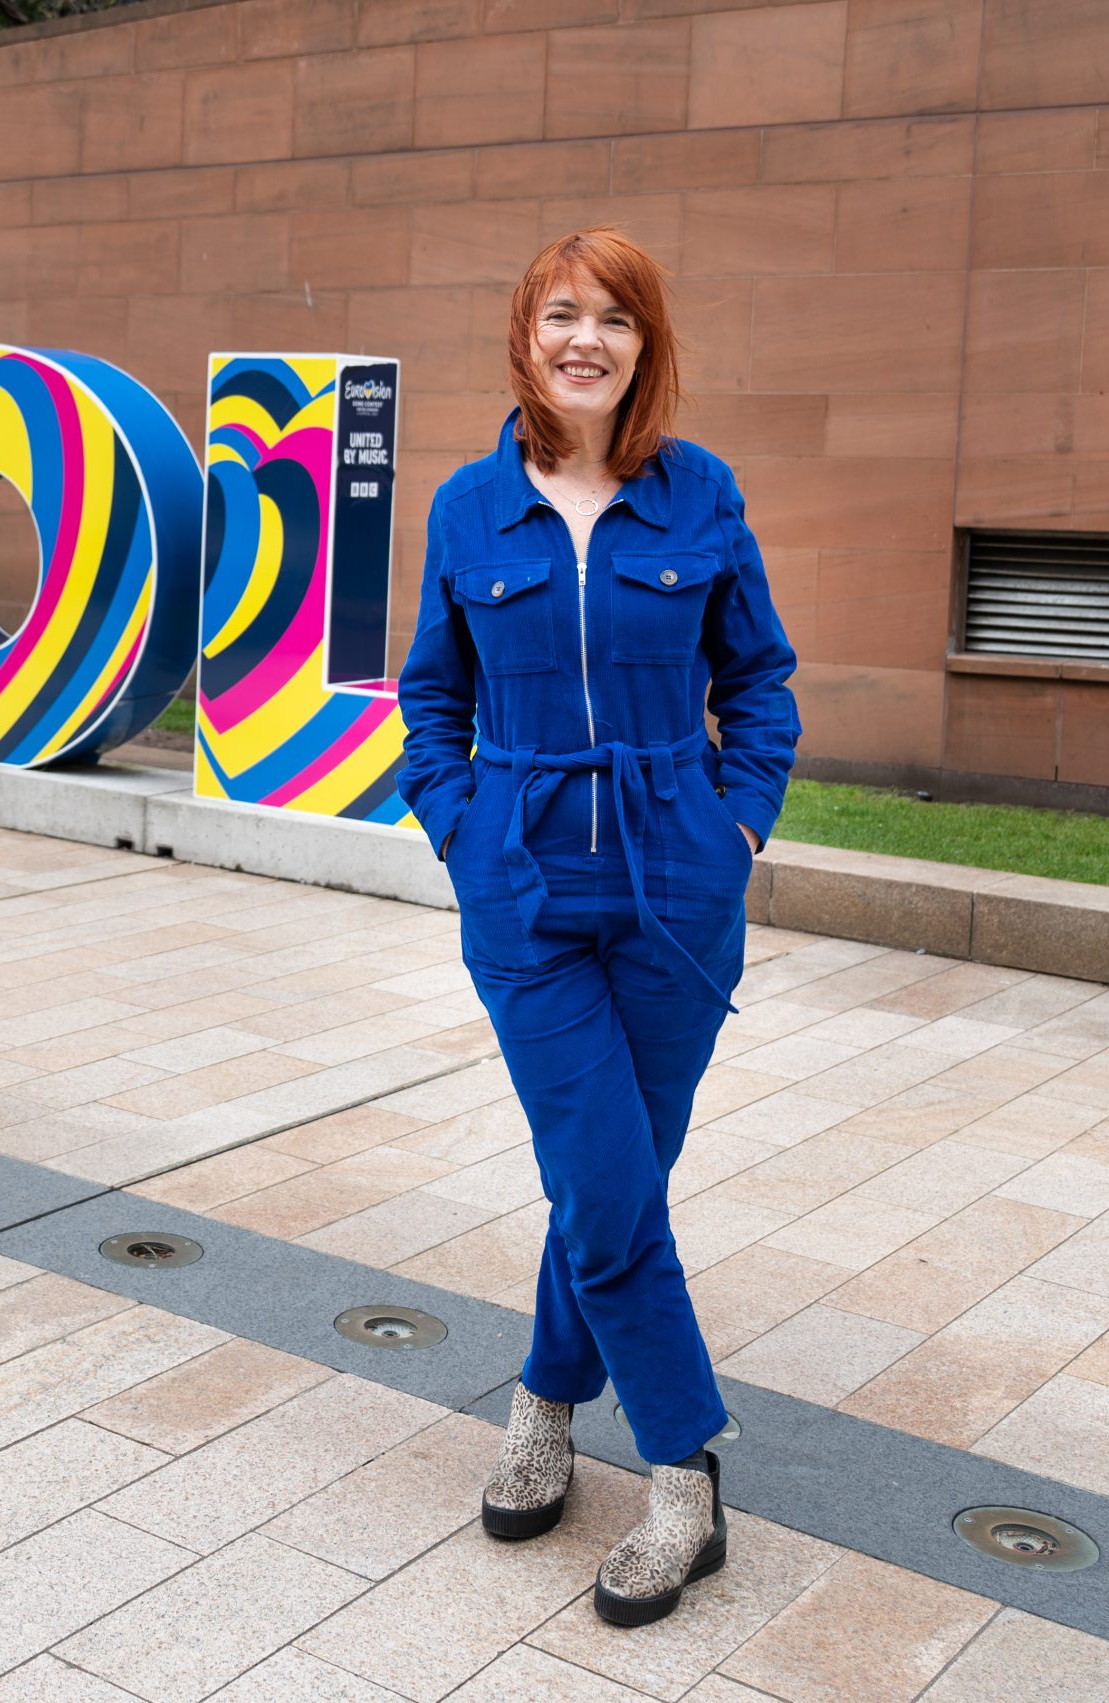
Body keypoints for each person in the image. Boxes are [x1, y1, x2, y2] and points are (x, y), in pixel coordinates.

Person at [396, 227, 800, 1627]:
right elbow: (430, 699)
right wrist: (459, 826)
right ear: (525, 333)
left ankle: (544, 1406)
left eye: (614, 318)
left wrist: (735, 826)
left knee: (611, 1188)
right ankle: (685, 1474)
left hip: (678, 886)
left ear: (645, 345)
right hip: (525, 891)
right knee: (609, 1181)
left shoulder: (701, 496)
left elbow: (760, 680)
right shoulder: (467, 507)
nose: (587, 338)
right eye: (563, 313)